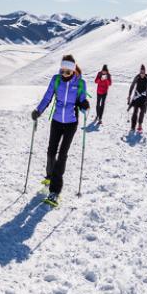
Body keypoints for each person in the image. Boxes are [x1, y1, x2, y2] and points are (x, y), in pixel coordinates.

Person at [31, 55, 90, 207]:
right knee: (51, 151)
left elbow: (82, 100)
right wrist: (38, 110)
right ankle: (50, 176)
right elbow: (47, 97)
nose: (64, 74)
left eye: (67, 72)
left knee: (62, 155)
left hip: (71, 122)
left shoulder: (80, 83)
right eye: (62, 71)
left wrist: (84, 104)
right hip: (57, 121)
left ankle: (55, 191)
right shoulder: (55, 80)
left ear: (73, 70)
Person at [127, 65, 147, 134]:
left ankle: (140, 125)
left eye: (143, 72)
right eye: (141, 72)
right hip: (137, 97)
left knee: (142, 112)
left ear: (145, 72)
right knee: (135, 112)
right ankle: (133, 127)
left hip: (144, 97)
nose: (142, 74)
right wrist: (129, 96)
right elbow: (132, 86)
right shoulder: (137, 77)